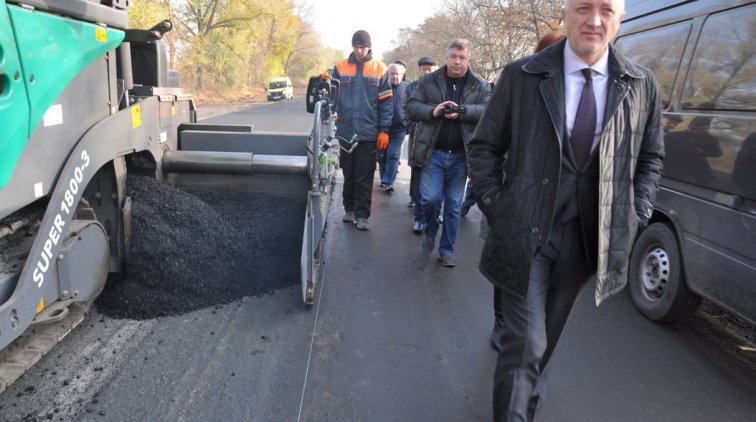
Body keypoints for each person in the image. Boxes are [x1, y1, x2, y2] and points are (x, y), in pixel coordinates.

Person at [467, 0, 664, 419]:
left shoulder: (641, 84)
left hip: (587, 239)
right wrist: (497, 206)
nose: (594, 20)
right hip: (524, 231)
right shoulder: (524, 75)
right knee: (525, 344)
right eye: (583, 7)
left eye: (606, 9)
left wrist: (637, 212)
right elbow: (485, 146)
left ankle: (527, 406)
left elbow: (651, 158)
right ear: (566, 12)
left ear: (620, 18)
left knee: (546, 342)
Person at [489, 31, 566, 352]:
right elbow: (491, 143)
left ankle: (534, 331)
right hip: (514, 197)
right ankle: (501, 320)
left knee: (543, 275)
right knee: (508, 264)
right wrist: (494, 197)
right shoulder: (517, 83)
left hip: (557, 206)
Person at [407, 39, 491, 267]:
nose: (457, 62)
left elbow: (488, 110)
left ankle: (446, 250)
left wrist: (462, 111)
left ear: (469, 60)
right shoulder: (428, 80)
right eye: (454, 56)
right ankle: (431, 230)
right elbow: (411, 106)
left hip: (461, 156)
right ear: (447, 58)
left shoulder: (480, 85)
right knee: (430, 199)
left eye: (462, 58)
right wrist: (433, 111)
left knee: (454, 205)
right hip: (433, 153)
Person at [332, 30, 393, 231]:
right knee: (348, 173)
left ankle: (362, 214)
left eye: (363, 47)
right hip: (346, 131)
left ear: (369, 47)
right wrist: (331, 113)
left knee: (364, 175)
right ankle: (349, 210)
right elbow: (332, 96)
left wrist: (384, 130)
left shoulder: (379, 69)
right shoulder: (340, 67)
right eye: (356, 46)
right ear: (352, 46)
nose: (359, 51)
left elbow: (386, 103)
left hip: (368, 133)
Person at [403, 56, 438, 233]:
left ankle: (433, 212)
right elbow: (406, 109)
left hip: (436, 140)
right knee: (417, 172)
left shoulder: (441, 86)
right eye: (424, 68)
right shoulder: (411, 87)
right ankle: (418, 211)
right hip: (417, 137)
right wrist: (412, 128)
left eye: (429, 68)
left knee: (435, 177)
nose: (426, 71)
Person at [378, 63, 409, 193]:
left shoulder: (408, 88)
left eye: (397, 74)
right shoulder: (382, 87)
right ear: (388, 75)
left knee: (393, 154)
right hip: (382, 129)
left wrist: (408, 123)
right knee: (381, 156)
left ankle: (388, 181)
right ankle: (384, 178)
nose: (395, 76)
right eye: (392, 74)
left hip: (399, 129)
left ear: (402, 75)